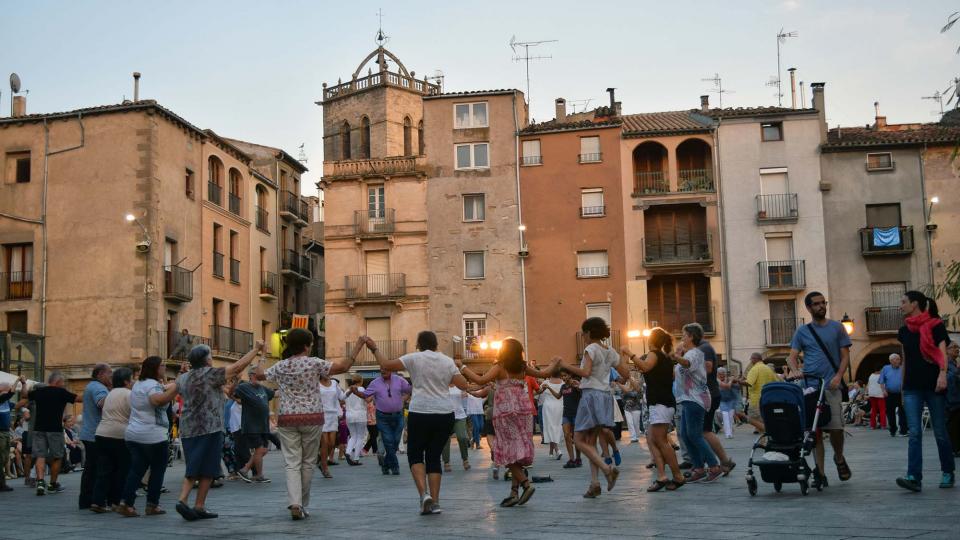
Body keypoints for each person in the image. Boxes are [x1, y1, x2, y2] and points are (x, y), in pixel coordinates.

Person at [367, 331, 472, 516]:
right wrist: (459, 367)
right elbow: (463, 385)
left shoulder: (414, 358)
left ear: (419, 344)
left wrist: (374, 348)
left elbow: (386, 364)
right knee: (434, 457)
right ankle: (436, 501)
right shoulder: (447, 361)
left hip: (420, 411)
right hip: (444, 413)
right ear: (436, 344)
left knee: (415, 454)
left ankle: (424, 495)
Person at [259, 329, 360, 520]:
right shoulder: (314, 363)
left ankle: (295, 502)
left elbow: (258, 375)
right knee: (307, 462)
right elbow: (344, 366)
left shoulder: (280, 366)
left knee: (291, 462)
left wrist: (262, 354)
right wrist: (358, 346)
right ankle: (302, 504)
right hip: (312, 418)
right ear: (306, 345)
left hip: (287, 418)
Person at [457, 338, 556, 507]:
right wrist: (555, 363)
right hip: (523, 409)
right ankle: (513, 493)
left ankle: (526, 484)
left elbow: (480, 380)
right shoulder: (523, 368)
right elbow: (544, 374)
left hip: (505, 411)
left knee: (504, 449)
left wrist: (462, 366)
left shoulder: (500, 366)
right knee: (516, 447)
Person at [174, 341, 261, 521]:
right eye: (211, 357)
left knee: (206, 466)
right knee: (202, 466)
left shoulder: (183, 378)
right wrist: (256, 349)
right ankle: (182, 500)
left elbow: (226, 391)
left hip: (188, 428)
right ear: (206, 360)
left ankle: (199, 506)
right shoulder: (210, 374)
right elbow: (238, 366)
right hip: (210, 427)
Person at [555, 317, 629, 497]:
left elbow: (586, 372)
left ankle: (606, 469)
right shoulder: (610, 351)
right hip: (604, 396)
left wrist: (564, 364)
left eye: (583, 333)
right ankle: (594, 484)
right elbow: (626, 374)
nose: (583, 337)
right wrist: (609, 381)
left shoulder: (590, 349)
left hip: (590, 396)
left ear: (589, 332)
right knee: (590, 442)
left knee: (579, 440)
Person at [786, 291, 852, 490]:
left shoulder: (837, 328)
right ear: (809, 308)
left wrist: (838, 376)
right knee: (814, 432)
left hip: (831, 385)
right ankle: (820, 473)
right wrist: (796, 370)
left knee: (836, 428)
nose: (821, 306)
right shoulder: (802, 331)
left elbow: (845, 356)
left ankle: (839, 457)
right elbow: (791, 357)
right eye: (816, 304)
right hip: (810, 387)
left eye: (823, 303)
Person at [894, 292, 955, 491]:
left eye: (903, 302)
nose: (901, 305)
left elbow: (943, 352)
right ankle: (914, 477)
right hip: (912, 387)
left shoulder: (936, 325)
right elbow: (906, 360)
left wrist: (943, 374)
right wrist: (903, 389)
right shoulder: (904, 330)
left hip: (933, 385)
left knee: (939, 432)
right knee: (914, 433)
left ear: (915, 304)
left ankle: (947, 471)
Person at [622, 327, 684, 491]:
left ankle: (677, 476)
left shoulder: (654, 354)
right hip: (663, 402)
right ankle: (662, 476)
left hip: (660, 402)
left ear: (651, 340)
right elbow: (669, 377)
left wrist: (629, 353)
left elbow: (646, 367)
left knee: (661, 441)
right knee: (651, 438)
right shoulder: (665, 358)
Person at [121, 356, 178, 517]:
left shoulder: (138, 384)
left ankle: (126, 503)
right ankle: (152, 504)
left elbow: (163, 387)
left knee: (137, 470)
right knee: (158, 470)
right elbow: (157, 400)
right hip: (153, 435)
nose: (165, 368)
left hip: (134, 433)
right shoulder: (153, 386)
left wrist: (175, 383)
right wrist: (176, 390)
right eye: (162, 366)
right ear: (155, 368)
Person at [672, 323, 722, 483]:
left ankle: (714, 466)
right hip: (687, 399)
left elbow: (687, 365)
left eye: (684, 334)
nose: (682, 337)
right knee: (686, 435)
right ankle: (699, 467)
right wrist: (678, 355)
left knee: (694, 434)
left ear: (691, 336)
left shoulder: (696, 353)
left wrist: (675, 357)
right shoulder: (688, 354)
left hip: (696, 399)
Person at [22, 371, 81, 495]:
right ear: (58, 381)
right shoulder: (62, 392)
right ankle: (52, 484)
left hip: (39, 429)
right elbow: (78, 399)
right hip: (55, 429)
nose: (64, 384)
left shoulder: (39, 391)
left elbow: (24, 395)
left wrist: (23, 383)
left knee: (40, 456)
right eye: (63, 382)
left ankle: (40, 483)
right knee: (57, 456)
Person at [352, 367, 411, 475]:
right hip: (382, 417)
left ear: (391, 370)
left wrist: (403, 399)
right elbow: (365, 396)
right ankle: (394, 466)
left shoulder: (400, 380)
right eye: (381, 369)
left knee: (396, 441)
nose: (383, 371)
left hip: (398, 416)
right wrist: (355, 392)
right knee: (388, 441)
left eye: (386, 369)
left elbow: (409, 390)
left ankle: (386, 465)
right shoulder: (375, 383)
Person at [90, 367, 133, 514]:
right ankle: (115, 501)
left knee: (104, 470)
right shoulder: (129, 394)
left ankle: (98, 501)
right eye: (131, 379)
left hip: (101, 433)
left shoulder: (110, 394)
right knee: (122, 470)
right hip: (120, 435)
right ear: (126, 381)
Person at [698, 339, 735, 475]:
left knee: (704, 431)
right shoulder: (705, 348)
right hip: (709, 395)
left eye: (685, 336)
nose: (683, 338)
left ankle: (722, 462)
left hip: (708, 395)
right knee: (703, 431)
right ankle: (720, 462)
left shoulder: (705, 348)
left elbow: (707, 367)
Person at [78, 363, 112, 509]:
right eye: (109, 374)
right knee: (98, 468)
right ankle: (94, 498)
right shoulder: (98, 388)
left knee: (91, 468)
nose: (111, 376)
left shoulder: (91, 386)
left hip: (89, 432)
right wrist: (116, 394)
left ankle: (86, 499)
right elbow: (102, 403)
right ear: (100, 374)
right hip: (95, 434)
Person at [234, 364, 276, 482]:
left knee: (263, 450)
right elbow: (233, 394)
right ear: (252, 376)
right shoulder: (244, 387)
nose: (261, 378)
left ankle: (244, 469)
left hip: (263, 425)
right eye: (259, 375)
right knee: (259, 449)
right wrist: (235, 380)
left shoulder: (263, 389)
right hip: (252, 425)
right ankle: (259, 475)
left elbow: (274, 393)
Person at [740, 354, 777, 433]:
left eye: (751, 359)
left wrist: (738, 381)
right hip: (768, 399)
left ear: (754, 359)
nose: (750, 361)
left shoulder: (755, 369)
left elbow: (749, 383)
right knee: (763, 420)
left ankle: (769, 431)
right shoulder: (768, 369)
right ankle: (764, 440)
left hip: (756, 400)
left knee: (751, 419)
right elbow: (776, 382)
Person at [317, 373, 345, 477]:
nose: (328, 373)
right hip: (321, 415)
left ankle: (322, 460)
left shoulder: (334, 383)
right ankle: (325, 467)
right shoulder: (316, 384)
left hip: (333, 416)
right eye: (326, 371)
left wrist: (351, 391)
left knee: (332, 443)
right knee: (325, 443)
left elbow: (342, 397)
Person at [441, 384, 470, 472]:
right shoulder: (442, 386)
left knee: (462, 437)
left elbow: (467, 393)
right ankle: (446, 462)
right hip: (445, 416)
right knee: (445, 439)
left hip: (459, 416)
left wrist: (465, 393)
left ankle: (465, 459)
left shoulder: (459, 386)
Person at [558, 371, 583, 469]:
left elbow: (582, 394)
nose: (563, 377)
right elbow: (558, 396)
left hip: (576, 414)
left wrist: (578, 387)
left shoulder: (575, 383)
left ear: (570, 375)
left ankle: (578, 458)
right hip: (566, 414)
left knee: (576, 438)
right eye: (562, 376)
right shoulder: (563, 387)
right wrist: (548, 388)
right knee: (567, 436)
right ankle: (571, 459)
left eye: (565, 375)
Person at [879, 354, 907, 437]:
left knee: (903, 412)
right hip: (890, 394)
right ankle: (893, 429)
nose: (899, 361)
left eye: (899, 359)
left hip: (901, 394)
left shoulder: (902, 368)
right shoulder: (885, 368)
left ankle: (903, 430)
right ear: (891, 361)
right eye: (897, 359)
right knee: (890, 413)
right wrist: (883, 391)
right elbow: (881, 381)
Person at [539, 373, 565, 459]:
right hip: (560, 407)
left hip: (548, 407)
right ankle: (551, 450)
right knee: (555, 427)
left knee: (550, 427)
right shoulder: (563, 383)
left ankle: (557, 450)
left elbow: (537, 392)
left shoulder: (546, 382)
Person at [344, 374, 368, 466]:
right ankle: (356, 458)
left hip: (349, 415)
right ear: (361, 381)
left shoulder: (348, 390)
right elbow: (366, 400)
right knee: (360, 437)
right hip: (360, 414)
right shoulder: (362, 389)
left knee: (353, 436)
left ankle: (348, 452)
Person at [0, 380, 16, 492]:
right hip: (0, 433)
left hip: (5, 432)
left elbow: (17, 403)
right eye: (6, 390)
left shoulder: (5, 402)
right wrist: (18, 381)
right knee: (1, 458)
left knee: (5, 458)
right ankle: (2, 484)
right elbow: (11, 393)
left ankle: (2, 484)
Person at [617, 377, 643, 443]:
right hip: (627, 408)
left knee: (636, 423)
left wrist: (625, 390)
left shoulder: (637, 390)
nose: (630, 383)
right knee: (630, 423)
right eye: (629, 382)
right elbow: (621, 395)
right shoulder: (624, 389)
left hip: (636, 408)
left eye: (632, 382)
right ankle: (633, 437)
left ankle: (636, 435)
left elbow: (633, 395)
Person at [717, 367, 740, 439]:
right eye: (720, 374)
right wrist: (731, 380)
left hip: (731, 400)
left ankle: (730, 432)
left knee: (730, 417)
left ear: (725, 374)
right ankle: (728, 434)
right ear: (717, 374)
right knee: (725, 416)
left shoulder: (729, 379)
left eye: (723, 374)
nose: (722, 375)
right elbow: (726, 387)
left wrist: (734, 380)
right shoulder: (717, 380)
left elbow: (737, 385)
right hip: (722, 401)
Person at [946, 342, 960, 456]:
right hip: (951, 400)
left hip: (957, 398)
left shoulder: (955, 363)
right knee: (952, 425)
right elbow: (948, 379)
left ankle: (956, 448)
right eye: (954, 347)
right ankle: (953, 449)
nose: (957, 349)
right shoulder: (945, 364)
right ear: (946, 350)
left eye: (958, 347)